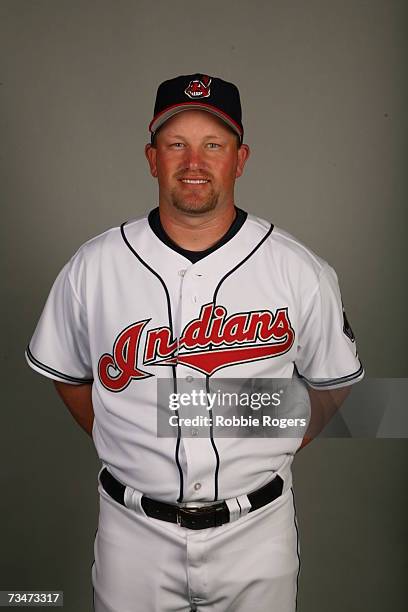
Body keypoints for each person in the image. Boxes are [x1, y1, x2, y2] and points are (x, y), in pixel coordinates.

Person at [26, 73, 364, 612]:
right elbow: (70, 378)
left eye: (213, 145)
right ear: (151, 157)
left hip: (256, 534)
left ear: (240, 158)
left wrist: (260, 436)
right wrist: (130, 436)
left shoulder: (298, 269)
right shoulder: (93, 266)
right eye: (175, 144)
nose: (194, 162)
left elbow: (331, 385)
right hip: (132, 534)